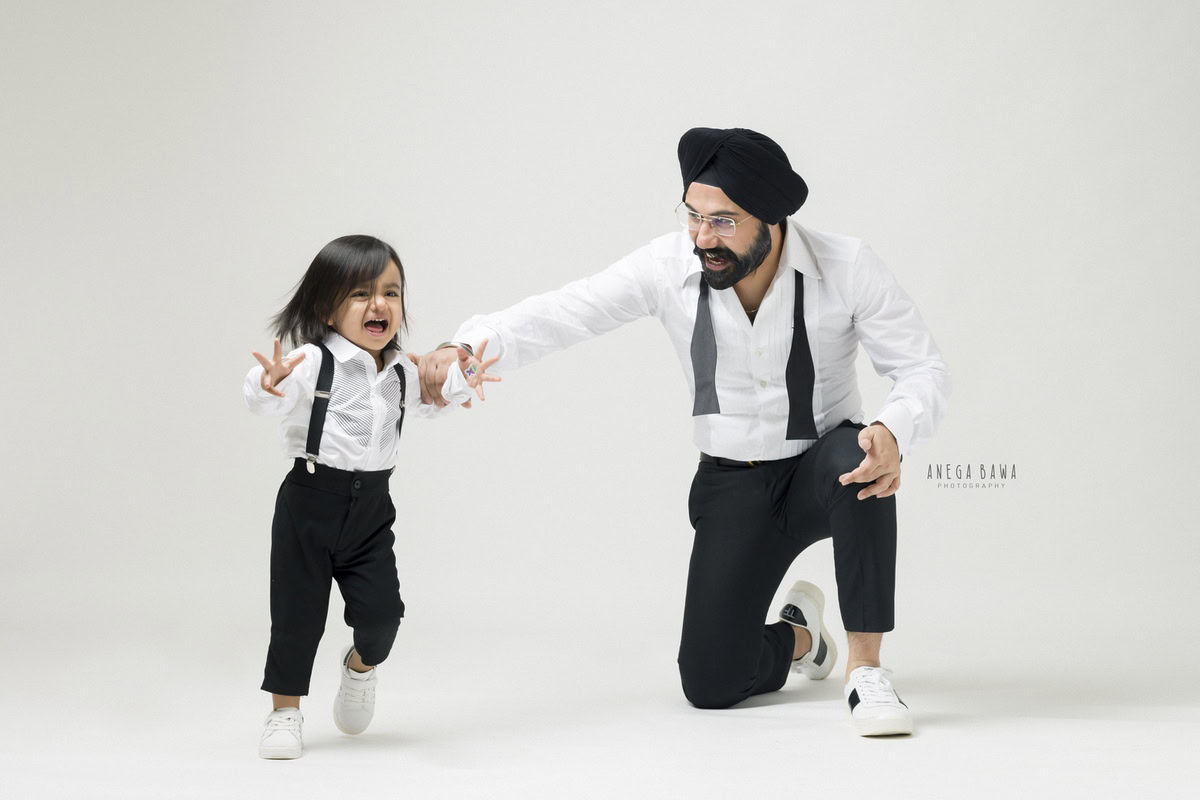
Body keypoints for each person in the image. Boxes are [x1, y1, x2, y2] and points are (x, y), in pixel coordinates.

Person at [414, 128, 951, 736]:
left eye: (723, 221)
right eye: (693, 216)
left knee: (866, 458)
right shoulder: (667, 267)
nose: (702, 237)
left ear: (772, 218)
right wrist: (467, 348)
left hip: (821, 467)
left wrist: (893, 429)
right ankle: (801, 637)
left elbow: (923, 369)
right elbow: (564, 312)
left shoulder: (847, 266)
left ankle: (866, 671)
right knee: (711, 683)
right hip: (733, 483)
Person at [243, 234, 498, 759]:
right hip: (310, 501)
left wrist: (466, 369)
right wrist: (267, 385)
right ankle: (284, 712)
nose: (378, 304)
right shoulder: (312, 361)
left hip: (371, 509)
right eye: (360, 293)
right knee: (297, 615)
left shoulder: (402, 370)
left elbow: (440, 396)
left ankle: (359, 669)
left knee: (383, 617)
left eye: (391, 292)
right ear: (326, 308)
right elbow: (268, 396)